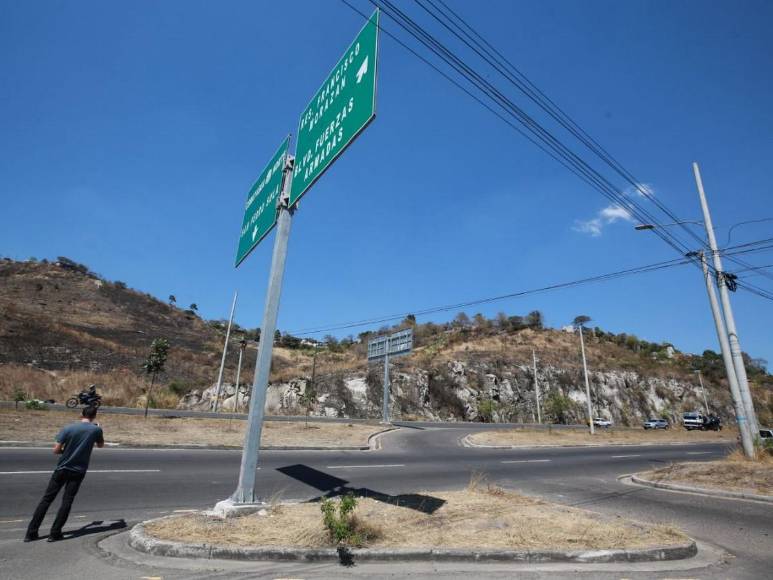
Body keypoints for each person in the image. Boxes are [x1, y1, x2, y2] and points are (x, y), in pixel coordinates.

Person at [24, 405, 104, 542]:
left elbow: (56, 450)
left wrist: (66, 452)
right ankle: (55, 533)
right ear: (94, 416)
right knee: (67, 501)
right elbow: (101, 445)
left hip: (62, 468)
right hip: (78, 471)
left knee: (47, 499)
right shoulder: (96, 429)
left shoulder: (68, 428)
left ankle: (31, 532)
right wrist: (100, 428)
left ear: (81, 414)